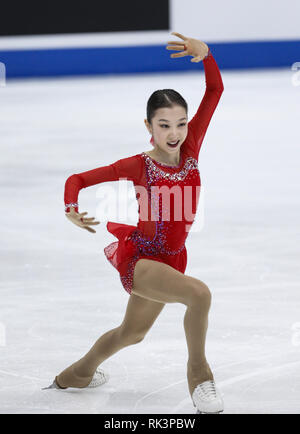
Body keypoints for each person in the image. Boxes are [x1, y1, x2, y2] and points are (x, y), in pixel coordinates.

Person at [46, 32, 224, 414]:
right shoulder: (138, 165)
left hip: (174, 260)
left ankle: (76, 373)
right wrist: (70, 208)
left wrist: (206, 54)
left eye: (180, 123)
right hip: (142, 260)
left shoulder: (190, 148)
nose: (174, 133)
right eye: (164, 125)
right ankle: (199, 374)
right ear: (149, 126)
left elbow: (214, 89)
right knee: (200, 295)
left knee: (133, 333)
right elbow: (77, 180)